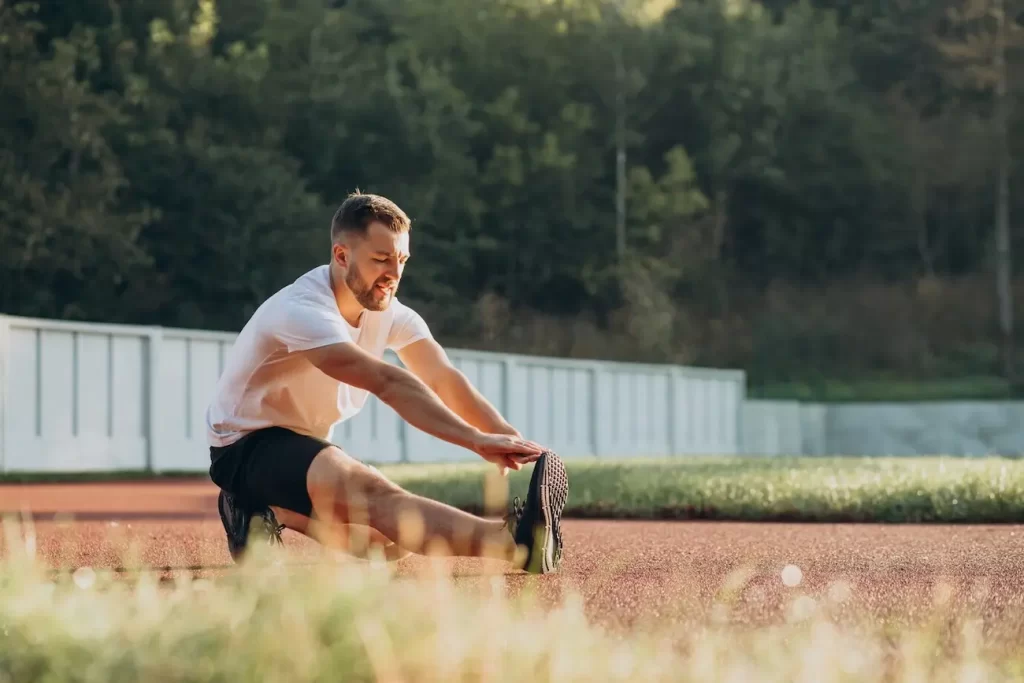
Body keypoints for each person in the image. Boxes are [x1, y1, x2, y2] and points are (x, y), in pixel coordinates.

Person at [204, 191, 568, 573]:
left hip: (304, 445)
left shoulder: (391, 312)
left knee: (393, 543)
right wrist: (475, 441)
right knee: (376, 495)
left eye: (402, 260)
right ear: (342, 256)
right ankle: (515, 543)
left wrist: (506, 436)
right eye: (381, 259)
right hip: (244, 444)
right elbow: (387, 382)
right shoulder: (302, 311)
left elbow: (443, 377)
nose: (394, 273)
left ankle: (260, 508)